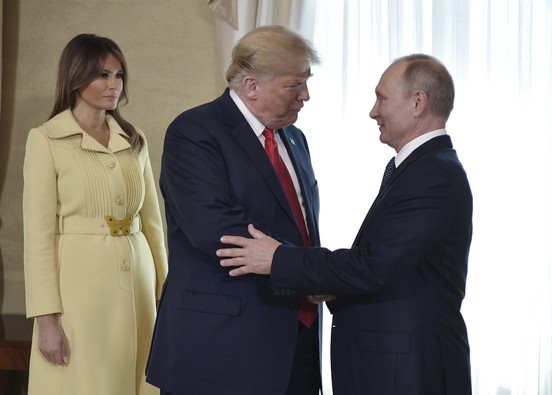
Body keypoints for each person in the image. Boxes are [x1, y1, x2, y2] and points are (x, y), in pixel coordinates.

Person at [217, 54, 473, 395]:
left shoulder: (432, 173)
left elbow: (376, 265)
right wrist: (331, 284)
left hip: (409, 370)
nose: (373, 111)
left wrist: (278, 258)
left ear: (417, 102)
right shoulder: (422, 167)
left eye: (382, 98)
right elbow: (393, 263)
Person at [145, 25, 324, 395]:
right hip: (221, 348)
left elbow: (301, 225)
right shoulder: (194, 132)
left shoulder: (295, 137)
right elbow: (218, 231)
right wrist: (311, 273)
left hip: (296, 339)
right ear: (252, 86)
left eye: (306, 83)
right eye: (294, 85)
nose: (306, 95)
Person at [23, 33, 168, 395]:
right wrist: (46, 320)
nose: (114, 85)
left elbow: (153, 224)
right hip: (79, 294)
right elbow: (38, 237)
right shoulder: (46, 139)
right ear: (76, 76)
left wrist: (167, 294)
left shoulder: (135, 140)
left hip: (138, 287)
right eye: (103, 75)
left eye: (119, 76)